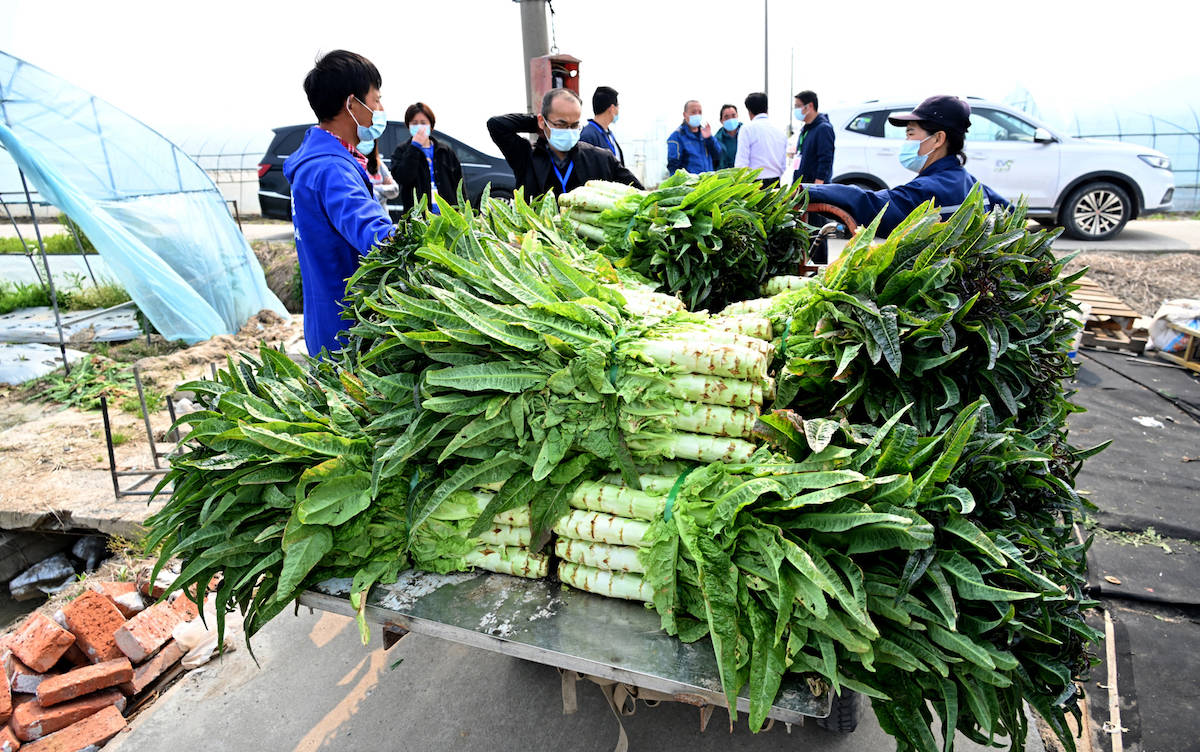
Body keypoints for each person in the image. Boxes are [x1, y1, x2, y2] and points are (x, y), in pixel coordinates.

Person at [283, 49, 394, 357]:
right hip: (348, 328)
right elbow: (376, 236)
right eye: (376, 100)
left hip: (325, 317)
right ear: (352, 104)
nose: (381, 108)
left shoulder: (314, 163)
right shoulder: (331, 169)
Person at [805, 95, 1009, 239]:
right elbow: (1009, 211)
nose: (906, 141)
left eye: (911, 134)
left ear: (938, 139)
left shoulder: (934, 188)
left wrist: (804, 191)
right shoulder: (970, 183)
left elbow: (873, 205)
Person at [487, 88, 642, 197]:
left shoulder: (601, 158)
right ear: (543, 121)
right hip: (539, 240)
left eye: (574, 125)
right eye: (560, 124)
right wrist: (535, 123)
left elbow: (639, 193)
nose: (568, 131)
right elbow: (496, 125)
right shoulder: (526, 157)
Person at [390, 102, 463, 213]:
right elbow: (403, 178)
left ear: (431, 125)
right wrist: (414, 148)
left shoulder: (445, 151)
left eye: (423, 123)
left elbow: (459, 183)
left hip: (447, 215)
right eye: (414, 123)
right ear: (408, 125)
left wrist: (463, 210)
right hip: (418, 217)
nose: (419, 127)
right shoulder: (402, 150)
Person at [733, 92, 787, 185]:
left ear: (749, 111)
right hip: (776, 182)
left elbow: (741, 163)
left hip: (755, 183)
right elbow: (783, 164)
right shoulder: (780, 130)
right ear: (767, 108)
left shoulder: (747, 129)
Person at [791, 90, 835, 185]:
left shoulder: (823, 128)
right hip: (802, 183)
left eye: (798, 106)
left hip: (813, 186)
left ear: (810, 106)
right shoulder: (806, 128)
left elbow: (826, 159)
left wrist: (818, 184)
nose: (796, 110)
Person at [666, 100, 722, 174]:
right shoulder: (676, 137)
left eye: (700, 112)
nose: (697, 115)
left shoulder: (705, 134)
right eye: (693, 112)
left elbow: (718, 155)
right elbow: (673, 166)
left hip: (708, 181)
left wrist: (709, 138)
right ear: (685, 114)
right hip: (690, 183)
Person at [580, 86, 628, 166]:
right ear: (612, 108)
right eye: (618, 106)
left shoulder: (607, 133)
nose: (618, 110)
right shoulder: (588, 136)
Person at [362, 142, 399, 212]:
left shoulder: (378, 164)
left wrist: (373, 187)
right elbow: (362, 194)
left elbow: (395, 190)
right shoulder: (353, 164)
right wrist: (383, 188)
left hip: (382, 214)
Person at [714, 104, 740, 170]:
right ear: (721, 121)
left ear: (737, 116)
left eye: (733, 116)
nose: (730, 119)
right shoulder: (717, 140)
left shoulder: (746, 133)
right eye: (726, 117)